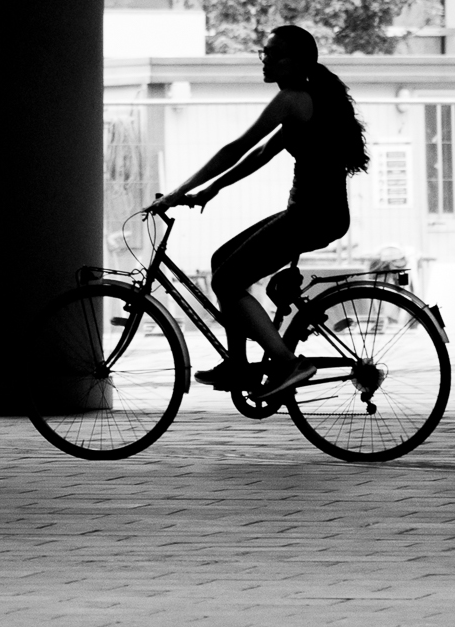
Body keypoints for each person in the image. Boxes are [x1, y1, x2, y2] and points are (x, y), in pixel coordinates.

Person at [153, 24, 368, 400]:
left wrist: (177, 192)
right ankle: (239, 365)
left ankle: (289, 363)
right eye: (263, 53)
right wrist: (211, 190)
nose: (265, 60)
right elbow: (259, 155)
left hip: (314, 216)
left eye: (274, 54)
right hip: (314, 214)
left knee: (226, 281)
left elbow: (236, 148)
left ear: (298, 61)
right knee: (223, 261)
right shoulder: (305, 98)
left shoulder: (294, 100)